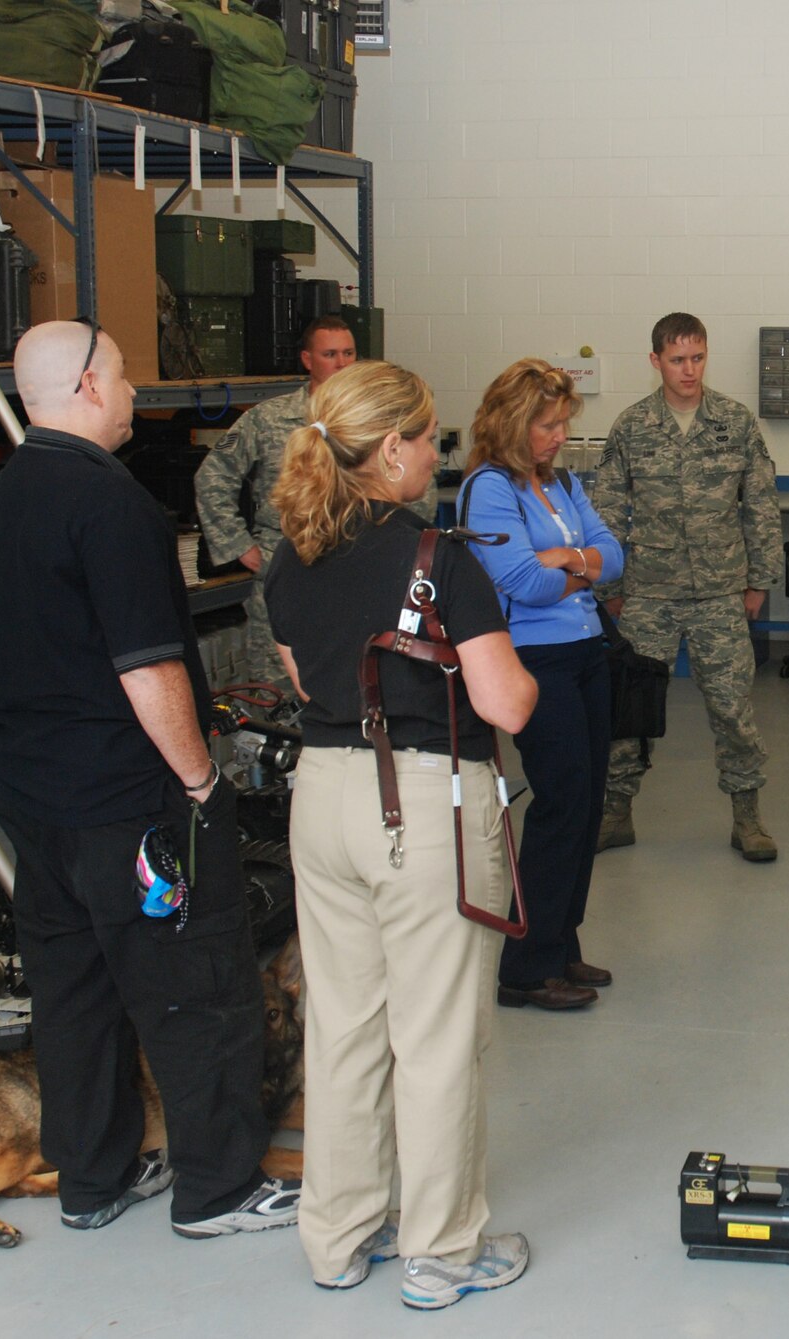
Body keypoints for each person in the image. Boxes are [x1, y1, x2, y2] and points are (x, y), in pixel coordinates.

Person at [0, 320, 298, 1240]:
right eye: (120, 376)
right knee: (199, 987)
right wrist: (198, 780)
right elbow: (148, 667)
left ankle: (93, 1178)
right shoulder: (110, 505)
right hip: (128, 803)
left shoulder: (6, 496)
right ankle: (220, 1189)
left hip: (35, 800)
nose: (132, 394)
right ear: (83, 385)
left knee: (73, 993)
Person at [263, 361, 540, 1309]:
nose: (436, 453)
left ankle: (338, 1235)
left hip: (323, 799)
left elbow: (306, 684)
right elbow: (505, 699)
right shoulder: (440, 560)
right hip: (422, 806)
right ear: (391, 450)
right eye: (427, 439)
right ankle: (441, 1250)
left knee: (341, 1028)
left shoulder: (287, 559)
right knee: (435, 1036)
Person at [459, 359, 624, 1011]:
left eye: (563, 423)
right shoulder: (490, 488)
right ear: (512, 422)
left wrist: (569, 562)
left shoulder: (561, 483)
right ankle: (525, 967)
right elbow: (523, 583)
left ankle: (560, 943)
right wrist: (574, 566)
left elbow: (615, 553)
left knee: (586, 802)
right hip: (535, 660)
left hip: (586, 650)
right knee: (560, 801)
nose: (559, 436)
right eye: (547, 425)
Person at [594, 312, 783, 860]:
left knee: (732, 709)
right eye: (677, 360)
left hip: (720, 591)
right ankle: (616, 813)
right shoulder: (631, 427)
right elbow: (608, 508)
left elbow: (761, 505)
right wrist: (611, 586)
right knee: (631, 710)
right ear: (656, 360)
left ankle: (747, 818)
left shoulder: (734, 421)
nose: (689, 370)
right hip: (648, 593)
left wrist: (759, 581)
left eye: (697, 357)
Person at [194, 315, 359, 691]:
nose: (341, 364)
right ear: (307, 360)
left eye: (348, 353)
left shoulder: (370, 421)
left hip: (352, 568)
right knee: (279, 691)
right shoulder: (270, 418)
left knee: (353, 688)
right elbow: (213, 475)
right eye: (330, 354)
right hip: (285, 566)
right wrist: (239, 545)